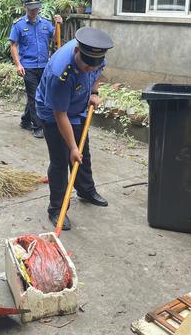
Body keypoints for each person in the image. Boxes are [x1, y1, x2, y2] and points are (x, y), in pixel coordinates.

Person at [36, 26, 114, 230]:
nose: (90, 69)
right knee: (61, 160)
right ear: (77, 50)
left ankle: (86, 190)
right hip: (53, 113)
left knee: (82, 153)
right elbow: (60, 115)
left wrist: (94, 91)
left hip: (77, 107)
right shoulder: (60, 73)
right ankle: (57, 209)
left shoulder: (93, 54)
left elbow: (99, 69)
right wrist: (71, 147)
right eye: (86, 65)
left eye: (93, 65)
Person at [9, 0, 62, 139]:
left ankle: (25, 120)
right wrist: (18, 64)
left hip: (44, 65)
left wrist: (58, 24)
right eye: (31, 8)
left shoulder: (45, 23)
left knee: (41, 95)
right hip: (28, 66)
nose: (34, 11)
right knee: (34, 96)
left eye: (36, 8)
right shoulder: (18, 25)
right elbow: (13, 45)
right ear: (25, 7)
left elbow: (55, 37)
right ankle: (37, 126)